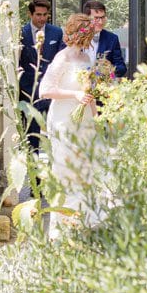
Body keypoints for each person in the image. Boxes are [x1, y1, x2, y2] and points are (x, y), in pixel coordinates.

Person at [38, 13, 106, 234]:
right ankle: (63, 225)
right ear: (80, 34)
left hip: (84, 119)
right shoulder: (62, 58)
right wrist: (74, 95)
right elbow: (45, 90)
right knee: (67, 168)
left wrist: (97, 119)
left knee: (87, 166)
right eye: (89, 32)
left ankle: (85, 220)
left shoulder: (87, 59)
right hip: (64, 119)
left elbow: (91, 93)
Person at [18, 0, 63, 152]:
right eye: (38, 14)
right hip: (29, 93)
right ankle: (34, 175)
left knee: (55, 135)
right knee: (32, 138)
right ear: (30, 14)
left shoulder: (56, 33)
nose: (42, 18)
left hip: (52, 93)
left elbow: (62, 59)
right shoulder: (21, 33)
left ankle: (55, 172)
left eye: (45, 15)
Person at [82, 0, 127, 78]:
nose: (100, 22)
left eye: (102, 18)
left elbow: (121, 68)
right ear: (86, 18)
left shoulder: (112, 39)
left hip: (102, 86)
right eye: (96, 18)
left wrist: (109, 69)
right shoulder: (76, 36)